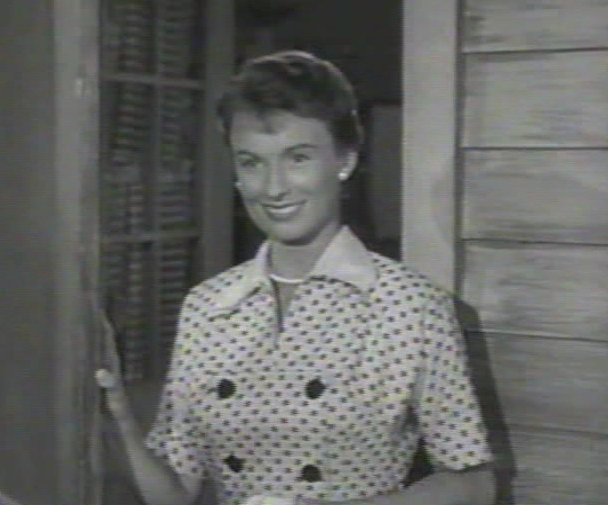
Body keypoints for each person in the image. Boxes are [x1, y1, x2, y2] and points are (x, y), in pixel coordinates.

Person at [97, 50, 496, 505]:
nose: (273, 187)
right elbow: (175, 495)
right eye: (251, 162)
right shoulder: (208, 308)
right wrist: (120, 417)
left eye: (298, 158)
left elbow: (473, 483)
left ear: (345, 160)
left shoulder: (409, 306)